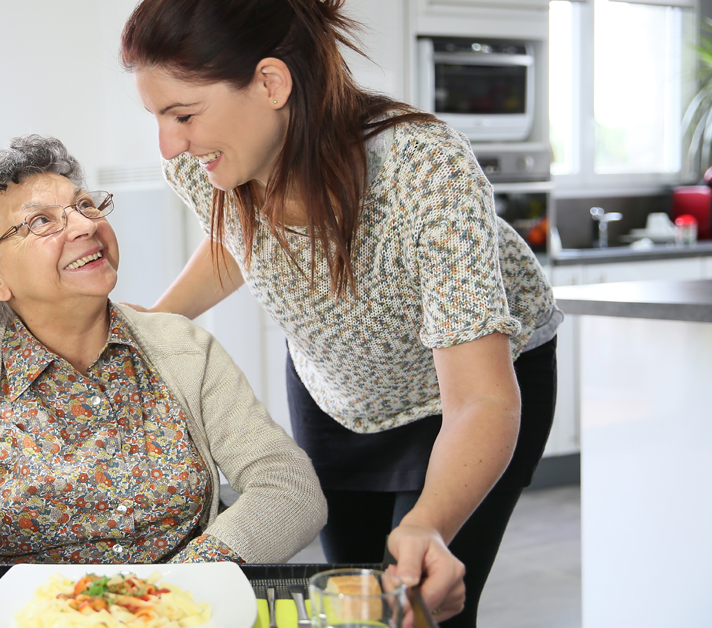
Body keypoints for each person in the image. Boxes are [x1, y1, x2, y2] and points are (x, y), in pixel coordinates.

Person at [120, 1, 561, 626]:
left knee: (419, 604)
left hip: (470, 394)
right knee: (349, 607)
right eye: (158, 117)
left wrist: (429, 524)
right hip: (336, 390)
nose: (170, 143)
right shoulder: (204, 162)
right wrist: (157, 324)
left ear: (271, 83)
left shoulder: (422, 169)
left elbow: (482, 400)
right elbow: (242, 242)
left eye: (183, 114)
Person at [0, 135, 327, 628]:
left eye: (85, 206)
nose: (86, 225)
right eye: (42, 221)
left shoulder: (184, 349)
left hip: (181, 613)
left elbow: (290, 487)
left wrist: (162, 596)